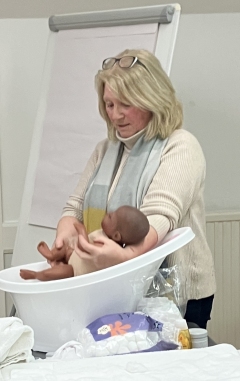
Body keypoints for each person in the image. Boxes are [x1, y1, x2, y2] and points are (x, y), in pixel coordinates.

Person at [49, 49, 216, 329]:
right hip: (116, 290)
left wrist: (125, 257)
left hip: (179, 296)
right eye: (109, 104)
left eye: (125, 104)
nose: (115, 115)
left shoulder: (181, 145)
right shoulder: (105, 150)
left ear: (152, 99)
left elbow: (158, 216)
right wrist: (64, 235)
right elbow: (74, 208)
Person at [20, 205, 149, 281]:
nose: (108, 213)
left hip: (76, 269)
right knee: (65, 247)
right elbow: (74, 205)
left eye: (111, 217)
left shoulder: (108, 247)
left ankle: (36, 275)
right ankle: (51, 255)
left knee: (65, 272)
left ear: (116, 235)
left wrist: (82, 232)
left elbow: (85, 248)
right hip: (74, 255)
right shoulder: (104, 234)